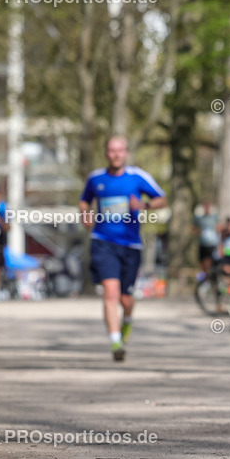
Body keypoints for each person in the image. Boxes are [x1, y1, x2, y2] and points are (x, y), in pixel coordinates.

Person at [79, 136, 166, 361]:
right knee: (111, 292)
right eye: (111, 150)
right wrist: (85, 213)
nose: (116, 154)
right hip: (103, 241)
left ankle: (127, 320)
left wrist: (144, 205)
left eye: (120, 151)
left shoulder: (137, 177)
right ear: (106, 153)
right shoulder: (96, 178)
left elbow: (162, 200)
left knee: (126, 299)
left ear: (126, 153)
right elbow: (84, 200)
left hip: (130, 245)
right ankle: (116, 341)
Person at [193, 202, 219, 280]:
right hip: (202, 244)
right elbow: (193, 228)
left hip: (211, 244)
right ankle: (204, 277)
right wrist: (199, 232)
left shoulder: (214, 218)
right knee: (202, 262)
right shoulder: (199, 218)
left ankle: (209, 277)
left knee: (209, 261)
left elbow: (218, 227)